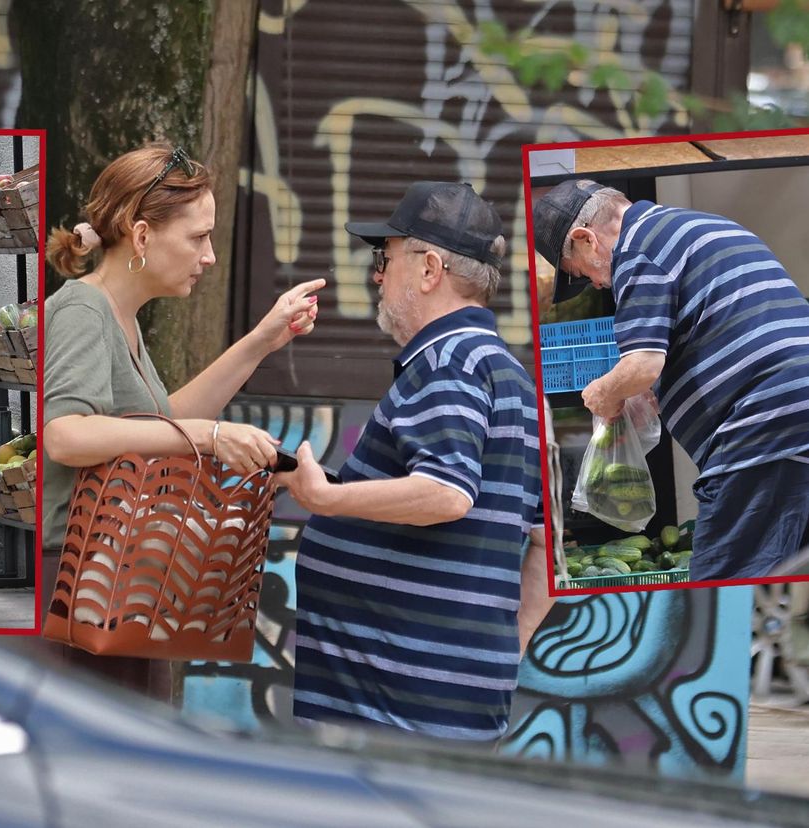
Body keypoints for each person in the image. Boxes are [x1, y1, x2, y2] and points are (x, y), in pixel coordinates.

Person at [42, 141, 324, 694]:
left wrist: (264, 339)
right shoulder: (82, 309)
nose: (210, 255)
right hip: (80, 585)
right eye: (198, 237)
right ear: (142, 235)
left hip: (115, 583)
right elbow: (65, 435)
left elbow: (163, 422)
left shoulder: (119, 315)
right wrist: (209, 437)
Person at [277, 181, 543, 741]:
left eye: (385, 258)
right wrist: (502, 651)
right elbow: (546, 543)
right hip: (446, 699)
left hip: (392, 707)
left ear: (429, 270)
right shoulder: (511, 375)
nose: (377, 276)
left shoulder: (447, 361)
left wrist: (326, 497)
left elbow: (447, 490)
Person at [533, 179, 809, 580]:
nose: (596, 284)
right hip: (793, 421)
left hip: (763, 425)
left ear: (586, 238)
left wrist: (601, 393)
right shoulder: (703, 225)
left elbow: (643, 364)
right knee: (789, 588)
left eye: (581, 273)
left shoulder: (638, 249)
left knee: (721, 589)